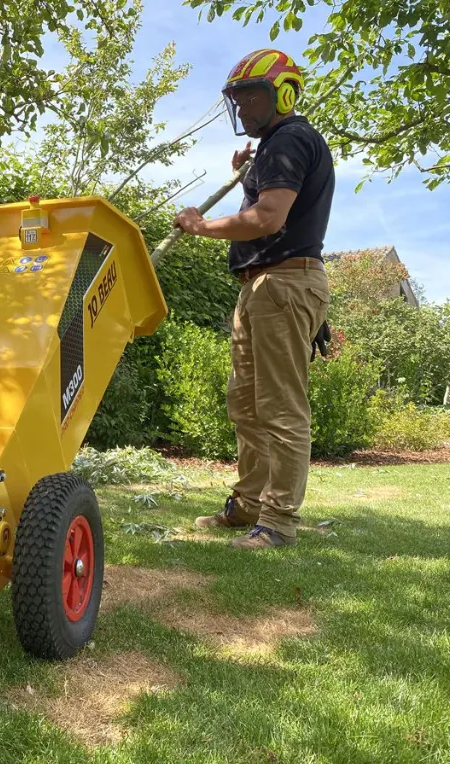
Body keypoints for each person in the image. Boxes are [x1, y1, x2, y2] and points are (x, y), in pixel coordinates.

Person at [173, 49, 334, 550]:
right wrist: (249, 171)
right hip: (262, 286)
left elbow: (268, 219)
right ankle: (247, 505)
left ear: (282, 94)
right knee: (245, 403)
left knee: (281, 407)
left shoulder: (290, 139)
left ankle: (279, 521)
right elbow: (267, 200)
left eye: (251, 96)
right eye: (237, 99)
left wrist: (202, 227)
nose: (242, 108)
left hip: (284, 284)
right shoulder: (275, 148)